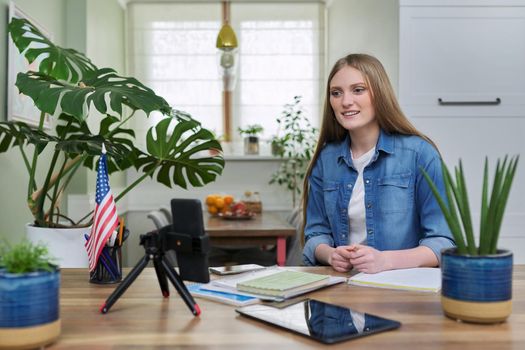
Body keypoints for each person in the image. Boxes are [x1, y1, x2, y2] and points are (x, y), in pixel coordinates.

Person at [302, 53, 455, 273]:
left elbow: (443, 242)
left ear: (379, 93)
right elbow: (315, 235)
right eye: (336, 93)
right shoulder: (326, 160)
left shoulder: (420, 154)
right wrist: (331, 254)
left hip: (402, 292)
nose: (345, 101)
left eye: (358, 90)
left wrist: (385, 261)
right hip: (342, 287)